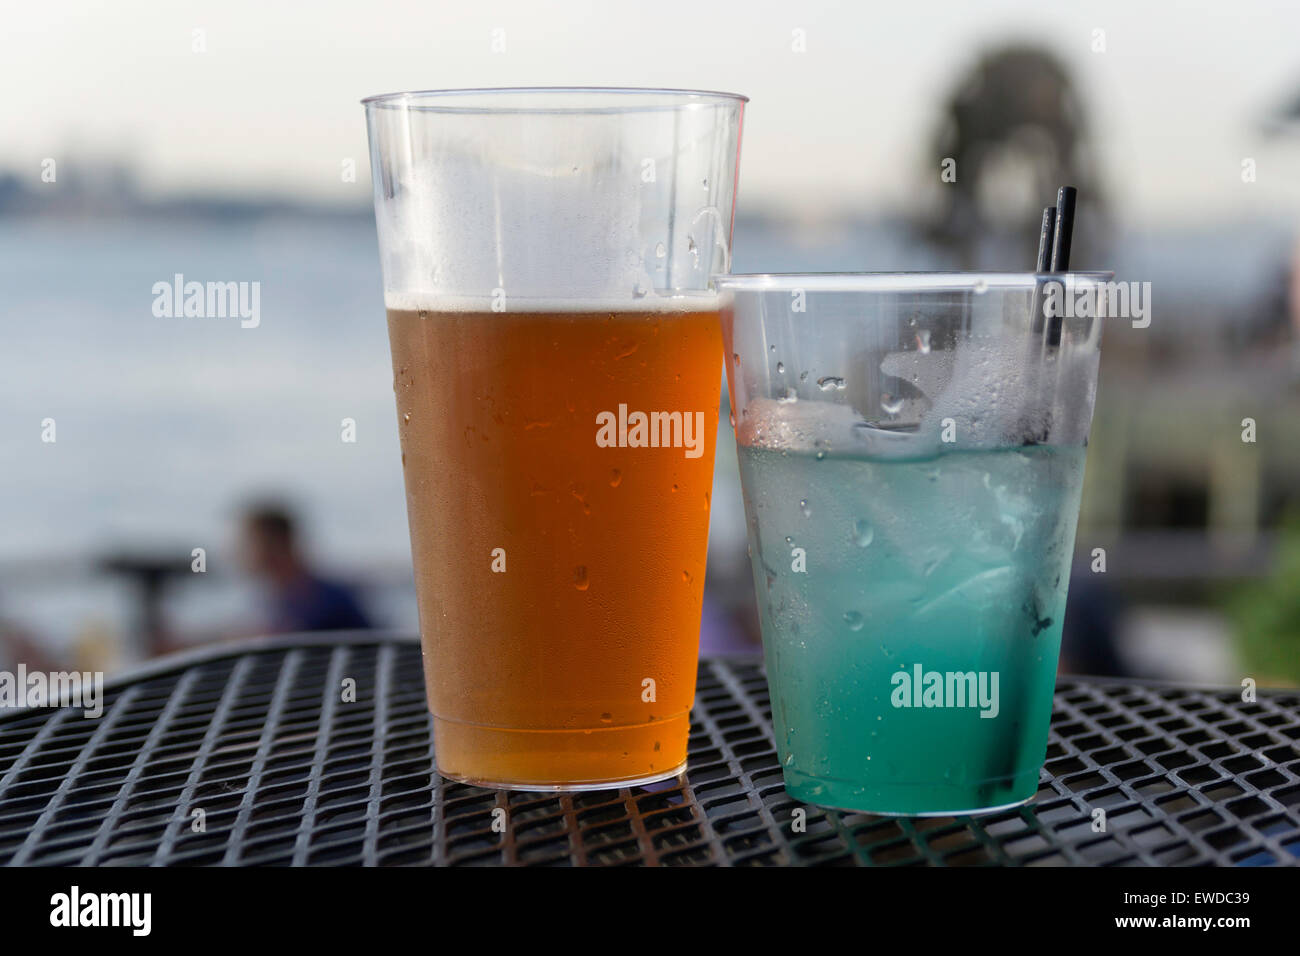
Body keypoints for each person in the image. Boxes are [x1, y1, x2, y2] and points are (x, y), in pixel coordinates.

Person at [240, 503, 372, 634]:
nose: (241, 552)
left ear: (277, 544)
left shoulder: (330, 599)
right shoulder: (274, 599)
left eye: (250, 543)